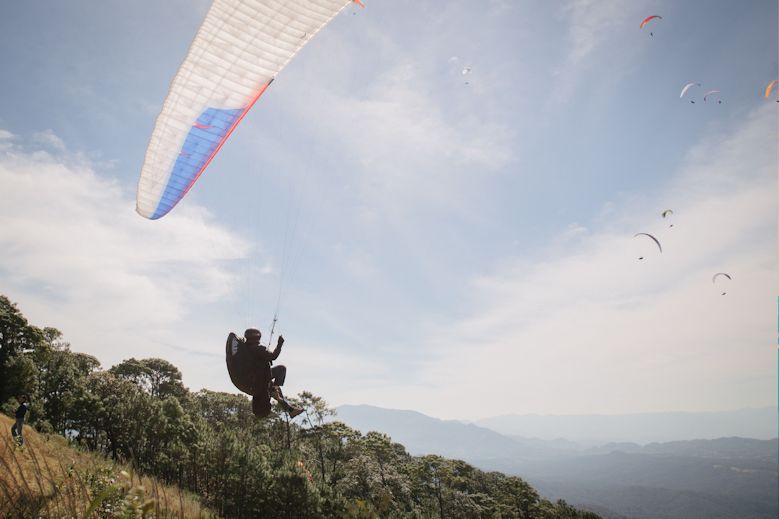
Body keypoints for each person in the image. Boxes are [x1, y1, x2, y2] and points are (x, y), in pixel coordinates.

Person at [241, 328, 304, 419]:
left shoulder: (245, 348)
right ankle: (274, 390)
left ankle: (290, 409)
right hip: (261, 376)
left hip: (255, 377)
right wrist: (279, 344)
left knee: (274, 388)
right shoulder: (258, 348)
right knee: (281, 369)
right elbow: (273, 356)